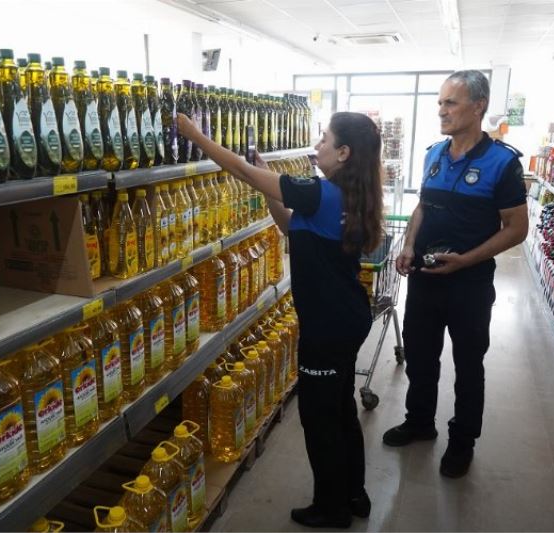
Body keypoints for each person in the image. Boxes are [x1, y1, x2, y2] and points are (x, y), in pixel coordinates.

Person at [177, 111, 383, 528]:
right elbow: (292, 227)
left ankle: (332, 508)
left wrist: (196, 135)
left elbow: (241, 172)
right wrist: (270, 183)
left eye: (325, 139)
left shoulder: (320, 193)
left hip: (327, 327)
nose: (317, 146)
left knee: (319, 417)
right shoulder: (347, 195)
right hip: (346, 317)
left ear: (344, 153)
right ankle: (353, 493)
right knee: (340, 408)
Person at [382, 70, 529, 478]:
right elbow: (422, 207)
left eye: (451, 102)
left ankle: (462, 441)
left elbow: (517, 228)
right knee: (420, 356)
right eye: (440, 102)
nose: (441, 110)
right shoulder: (433, 154)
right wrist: (409, 244)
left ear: (478, 106)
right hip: (425, 279)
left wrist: (467, 260)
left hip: (469, 285)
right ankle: (419, 422)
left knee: (468, 365)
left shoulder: (502, 163)